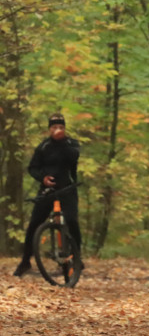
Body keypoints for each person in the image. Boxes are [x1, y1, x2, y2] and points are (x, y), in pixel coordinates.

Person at [13, 114, 83, 277]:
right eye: (54, 127)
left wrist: (63, 142)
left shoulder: (71, 143)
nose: (57, 130)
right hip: (47, 191)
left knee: (72, 221)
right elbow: (33, 168)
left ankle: (77, 257)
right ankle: (25, 261)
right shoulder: (43, 146)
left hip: (67, 188)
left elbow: (74, 157)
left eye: (60, 127)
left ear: (64, 129)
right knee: (34, 224)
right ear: (49, 129)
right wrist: (43, 178)